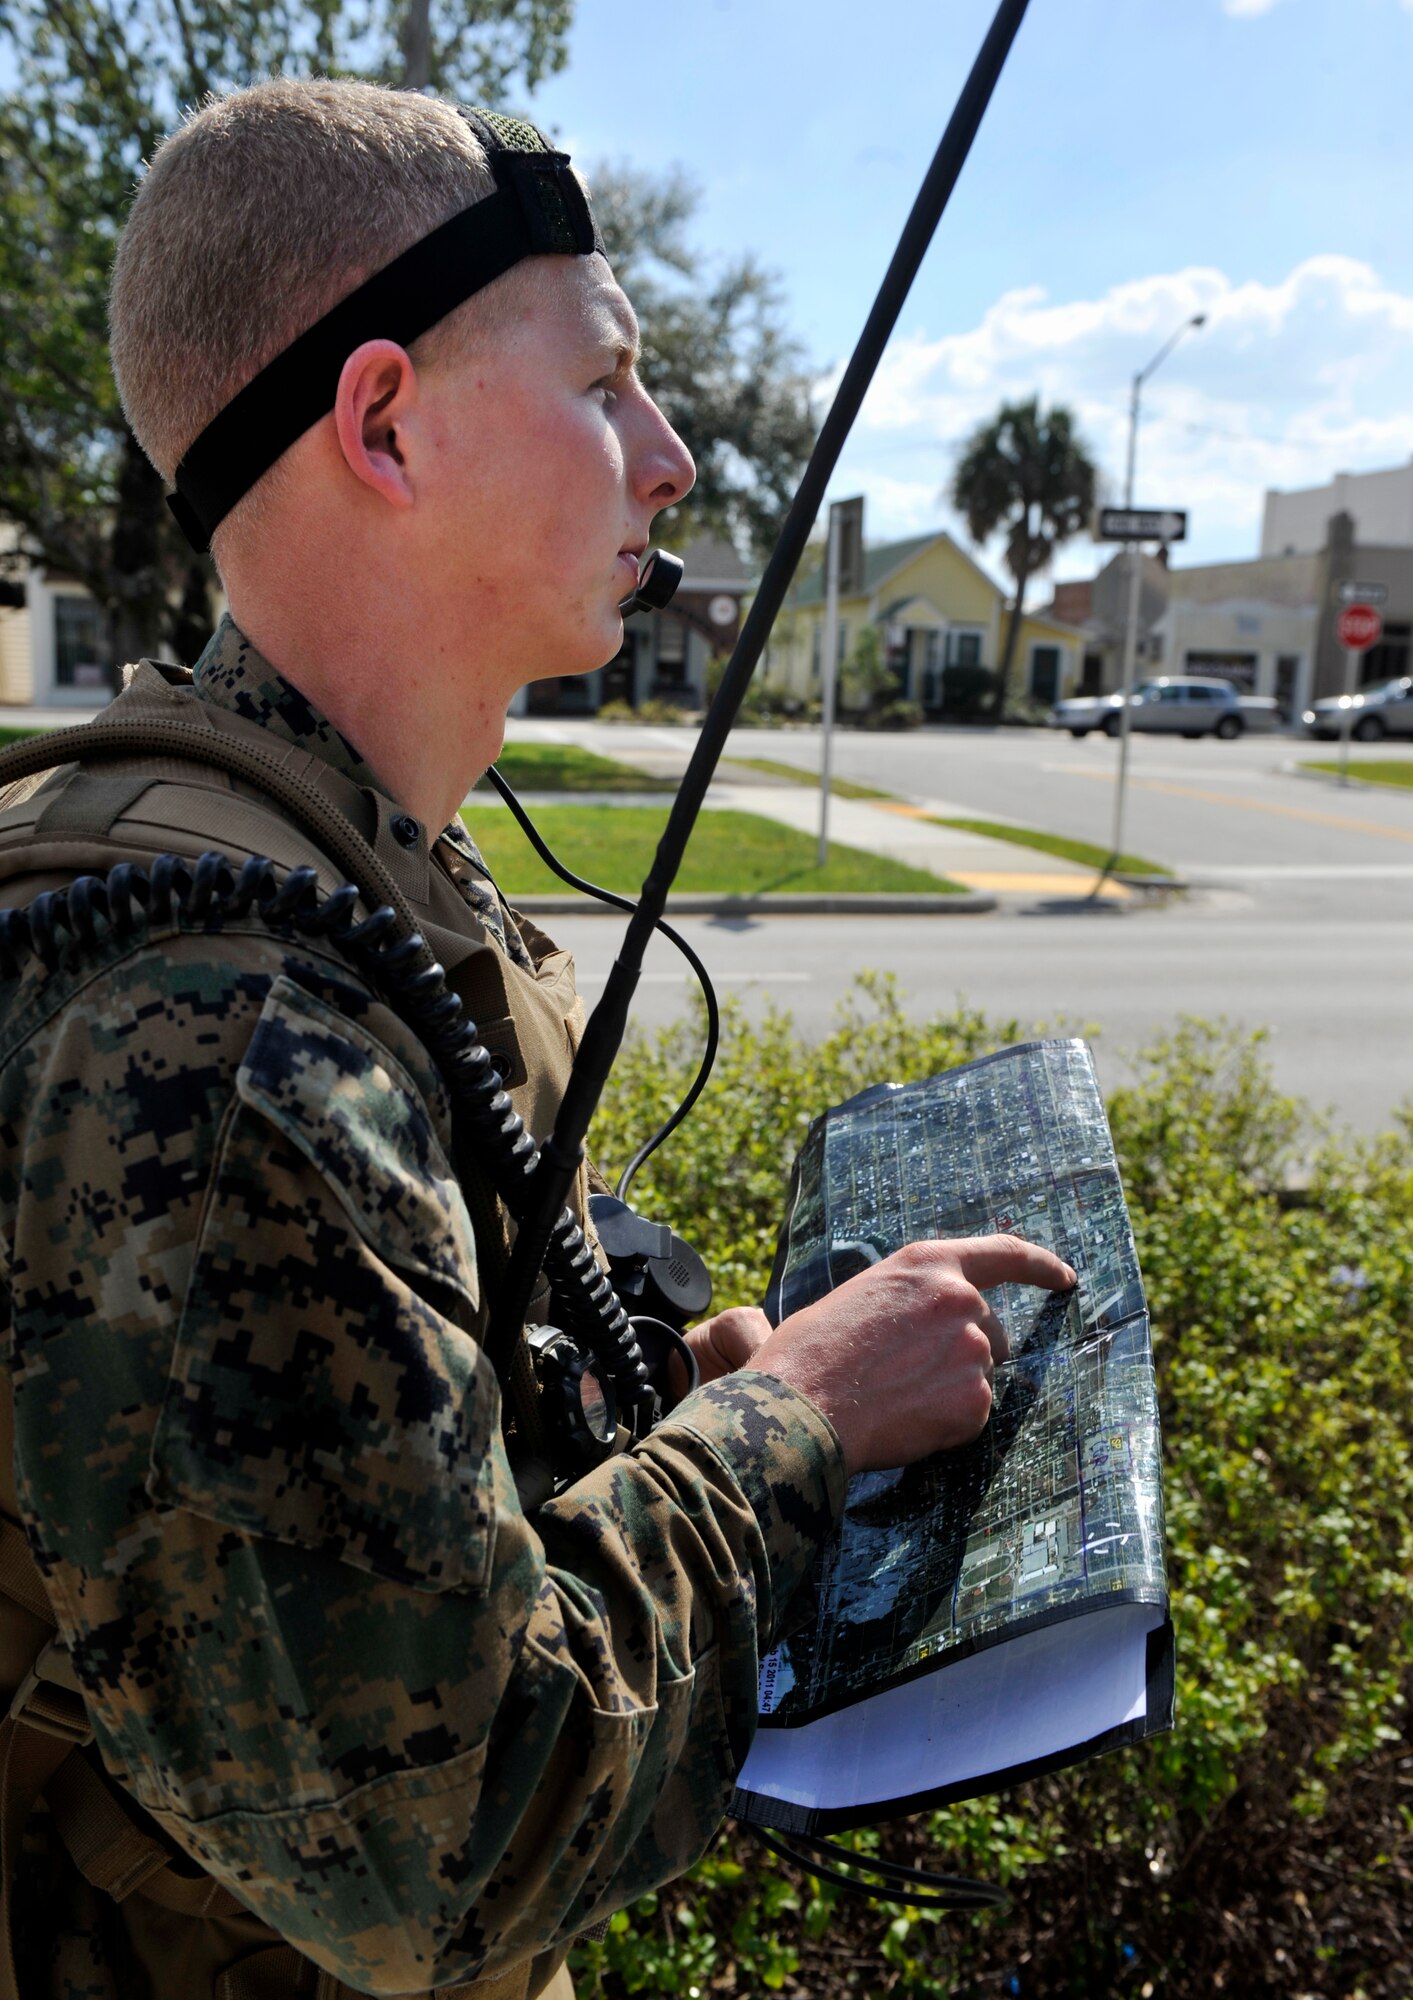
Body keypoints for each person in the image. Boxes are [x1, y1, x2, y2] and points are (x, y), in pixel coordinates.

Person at [0, 79, 1074, 2000]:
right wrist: (795, 1421)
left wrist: (660, 1399)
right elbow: (442, 1842)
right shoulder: (230, 1027)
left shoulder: (331, 866)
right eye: (604, 387)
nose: (666, 460)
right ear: (386, 425)